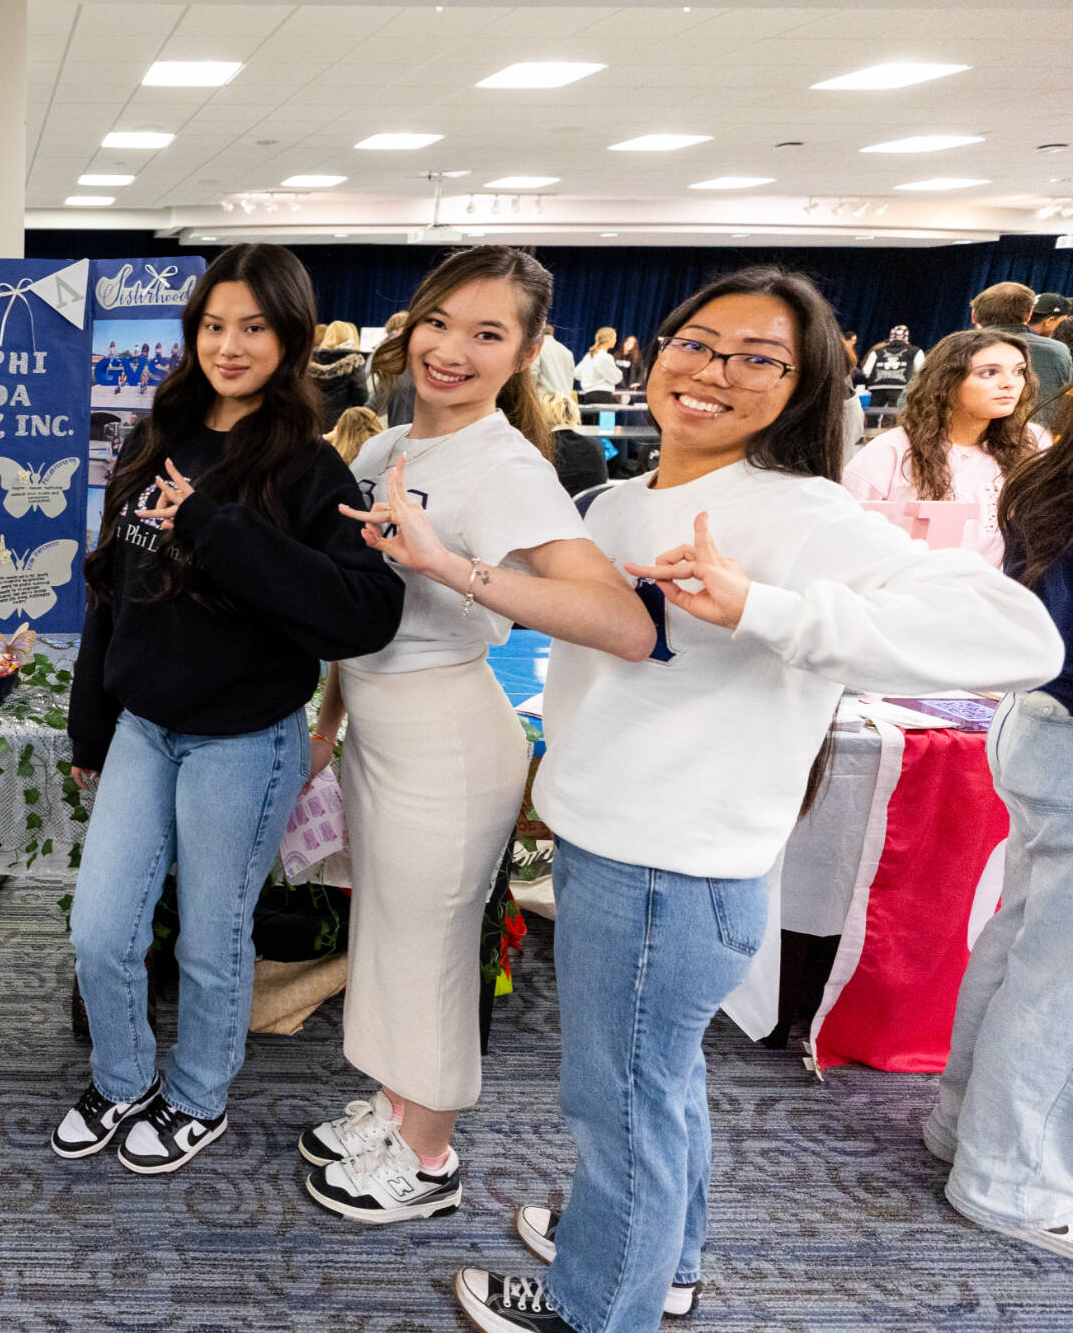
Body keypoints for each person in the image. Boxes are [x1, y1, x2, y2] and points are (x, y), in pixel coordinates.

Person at [451, 267, 1063, 1333]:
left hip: (670, 867)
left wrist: (768, 608)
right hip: (612, 842)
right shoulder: (624, 499)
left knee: (619, 1102)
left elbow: (1017, 636)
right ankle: (657, 1256)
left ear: (803, 382)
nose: (712, 372)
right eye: (695, 342)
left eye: (756, 358)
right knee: (654, 1083)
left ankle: (599, 1303)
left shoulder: (802, 513)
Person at [302, 246, 654, 1228]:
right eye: (439, 322)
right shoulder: (383, 449)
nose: (451, 350)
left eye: (487, 333)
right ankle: (392, 1103)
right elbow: (356, 603)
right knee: (388, 933)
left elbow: (622, 621)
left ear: (527, 352)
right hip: (374, 722)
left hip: (446, 738)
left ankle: (426, 1151)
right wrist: (329, 722)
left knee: (432, 946)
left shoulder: (504, 466)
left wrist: (455, 569)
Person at [59, 243, 404, 1175]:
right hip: (142, 727)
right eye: (214, 324)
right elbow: (110, 587)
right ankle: (124, 1074)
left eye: (254, 327)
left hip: (244, 742)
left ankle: (198, 1093)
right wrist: (90, 718)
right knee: (102, 928)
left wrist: (214, 525)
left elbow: (363, 610)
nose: (230, 344)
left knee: (214, 939)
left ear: (290, 338)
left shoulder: (305, 469)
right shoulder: (149, 438)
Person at [928, 392, 1073, 1265]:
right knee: (1055, 975)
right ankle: (1010, 1178)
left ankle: (962, 1126)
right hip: (1061, 726)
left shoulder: (1048, 475)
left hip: (1038, 723)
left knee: (1025, 938)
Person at [843, 329, 1047, 565]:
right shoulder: (891, 451)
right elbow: (845, 537)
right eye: (988, 373)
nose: (1010, 383)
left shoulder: (1032, 442)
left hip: (993, 594)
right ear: (947, 381)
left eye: (1019, 371)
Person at [973, 281, 1072, 419]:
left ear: (973, 316)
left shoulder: (957, 347)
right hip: (1040, 436)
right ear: (1029, 315)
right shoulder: (1058, 351)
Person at [309, 319, 370, 428]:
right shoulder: (353, 363)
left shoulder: (309, 362)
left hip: (312, 424)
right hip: (341, 427)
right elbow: (361, 399)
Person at [861, 325, 925, 411]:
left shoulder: (877, 352)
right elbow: (921, 370)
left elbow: (866, 371)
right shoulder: (915, 351)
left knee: (873, 415)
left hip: (877, 388)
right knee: (894, 416)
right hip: (900, 387)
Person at [574, 327, 624, 402]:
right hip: (604, 398)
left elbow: (576, 373)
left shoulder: (589, 356)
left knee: (590, 414)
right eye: (614, 338)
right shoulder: (606, 357)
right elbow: (616, 378)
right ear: (608, 340)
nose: (615, 341)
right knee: (608, 414)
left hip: (588, 397)